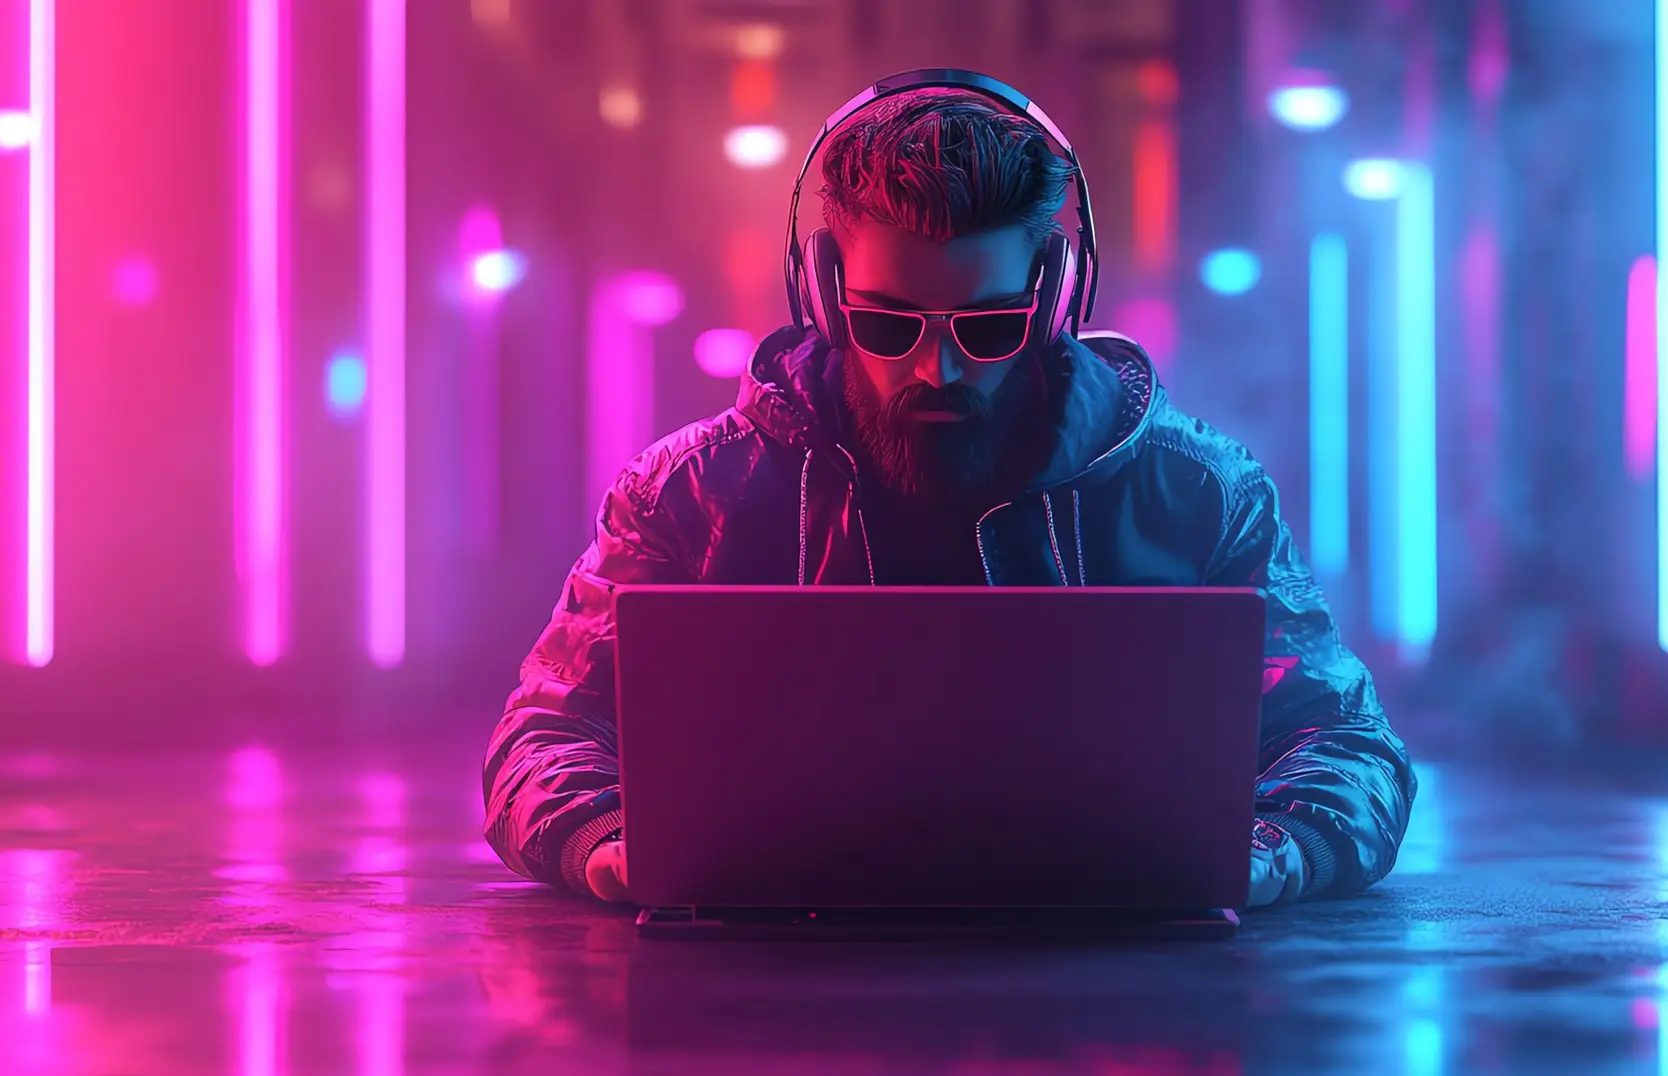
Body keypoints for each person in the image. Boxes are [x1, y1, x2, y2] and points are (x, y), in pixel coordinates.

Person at [482, 74, 1415, 909]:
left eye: (991, 324)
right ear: (822, 289)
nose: (939, 367)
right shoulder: (685, 494)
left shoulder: (1203, 494)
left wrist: (1263, 857)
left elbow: (1348, 744)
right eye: (888, 326)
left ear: (1053, 295)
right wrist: (610, 849)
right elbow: (542, 737)